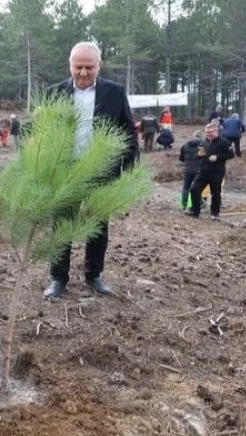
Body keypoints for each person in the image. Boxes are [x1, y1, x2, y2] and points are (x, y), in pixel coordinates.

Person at [42, 42, 139, 299]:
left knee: (98, 224)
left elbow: (128, 131)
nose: (83, 72)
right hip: (66, 172)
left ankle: (93, 275)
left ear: (99, 66)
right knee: (62, 224)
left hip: (101, 170)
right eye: (78, 66)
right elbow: (45, 132)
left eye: (89, 67)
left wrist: (128, 170)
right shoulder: (55, 92)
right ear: (70, 65)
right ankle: (58, 277)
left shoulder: (115, 93)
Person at [185, 123, 234, 219]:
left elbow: (231, 155)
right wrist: (199, 155)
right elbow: (197, 156)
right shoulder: (204, 142)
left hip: (217, 172)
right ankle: (195, 211)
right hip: (203, 171)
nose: (208, 134)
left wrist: (217, 157)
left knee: (215, 193)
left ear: (216, 131)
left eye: (210, 132)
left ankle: (214, 213)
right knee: (194, 189)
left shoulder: (224, 142)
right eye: (206, 132)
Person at [179, 130, 203, 210]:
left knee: (186, 187)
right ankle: (199, 203)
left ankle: (184, 204)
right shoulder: (204, 145)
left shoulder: (185, 145)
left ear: (193, 136)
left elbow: (181, 158)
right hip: (199, 169)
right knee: (197, 188)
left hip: (188, 169)